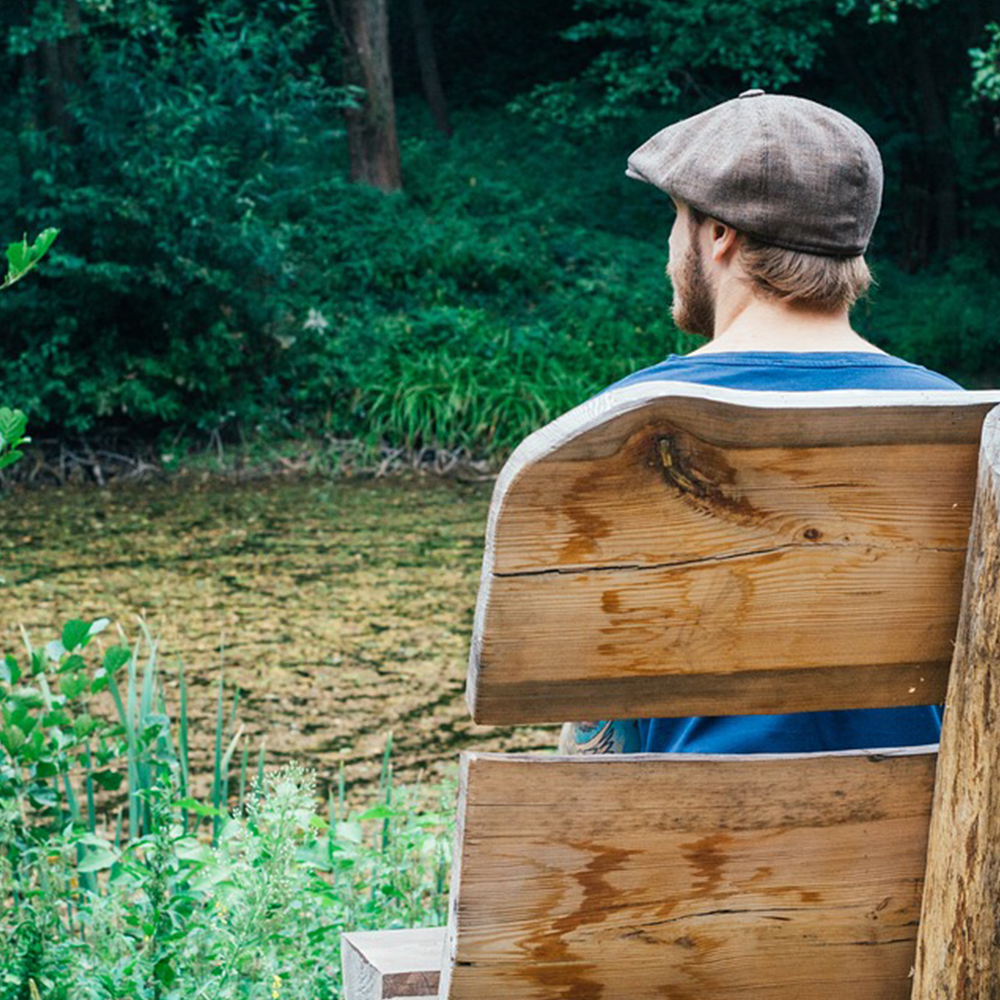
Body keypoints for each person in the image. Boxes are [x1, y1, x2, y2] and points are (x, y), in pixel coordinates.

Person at [560, 90, 962, 756]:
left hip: (686, 853)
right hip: (909, 856)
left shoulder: (622, 428)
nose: (668, 244)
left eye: (677, 218)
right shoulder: (961, 423)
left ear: (719, 235)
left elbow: (593, 722)